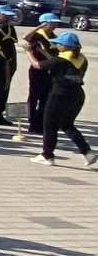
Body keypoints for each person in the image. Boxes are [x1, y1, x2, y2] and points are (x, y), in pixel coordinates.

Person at [27, 32, 97, 167]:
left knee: (49, 125)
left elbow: (38, 65)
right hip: (77, 95)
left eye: (58, 43)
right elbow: (57, 63)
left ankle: (47, 156)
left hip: (59, 95)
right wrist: (44, 52)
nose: (56, 45)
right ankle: (87, 152)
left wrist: (29, 52)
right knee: (67, 124)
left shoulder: (59, 61)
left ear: (65, 46)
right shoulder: (81, 59)